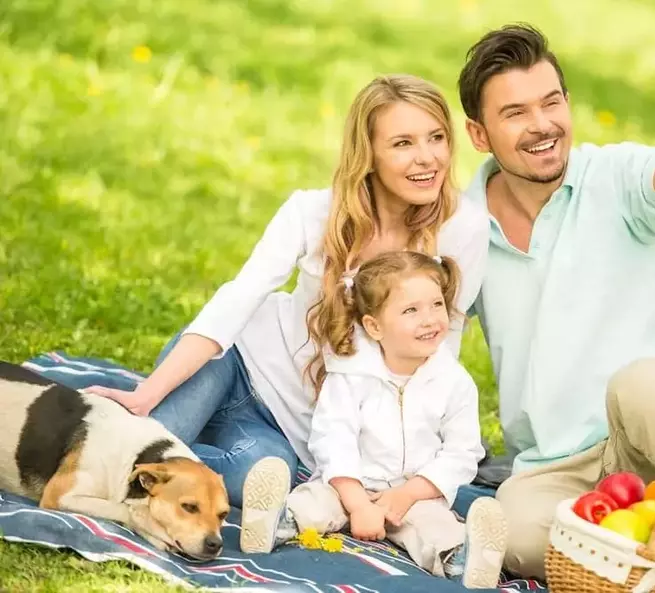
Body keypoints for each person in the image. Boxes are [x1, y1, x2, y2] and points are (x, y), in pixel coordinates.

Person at [454, 23, 655, 578]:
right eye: (515, 113)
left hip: (646, 438)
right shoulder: (460, 228)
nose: (542, 125)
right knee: (511, 533)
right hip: (552, 466)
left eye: (551, 102)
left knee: (639, 383)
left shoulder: (617, 178)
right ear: (479, 134)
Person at [86, 74, 489, 510]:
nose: (427, 158)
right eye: (403, 143)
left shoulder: (461, 227)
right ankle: (111, 437)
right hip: (237, 362)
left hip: (288, 428)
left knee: (260, 480)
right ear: (368, 152)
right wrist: (147, 394)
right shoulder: (312, 212)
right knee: (138, 448)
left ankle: (166, 457)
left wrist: (409, 481)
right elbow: (239, 298)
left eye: (436, 138)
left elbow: (437, 346)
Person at [237, 250, 508, 590]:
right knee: (316, 503)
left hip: (416, 493)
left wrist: (408, 494)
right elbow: (333, 438)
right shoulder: (350, 375)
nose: (430, 319)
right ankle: (275, 521)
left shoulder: (454, 382)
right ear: (374, 326)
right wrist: (358, 503)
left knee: (435, 527)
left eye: (436, 304)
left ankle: (461, 558)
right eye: (411, 310)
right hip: (350, 485)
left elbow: (463, 453)